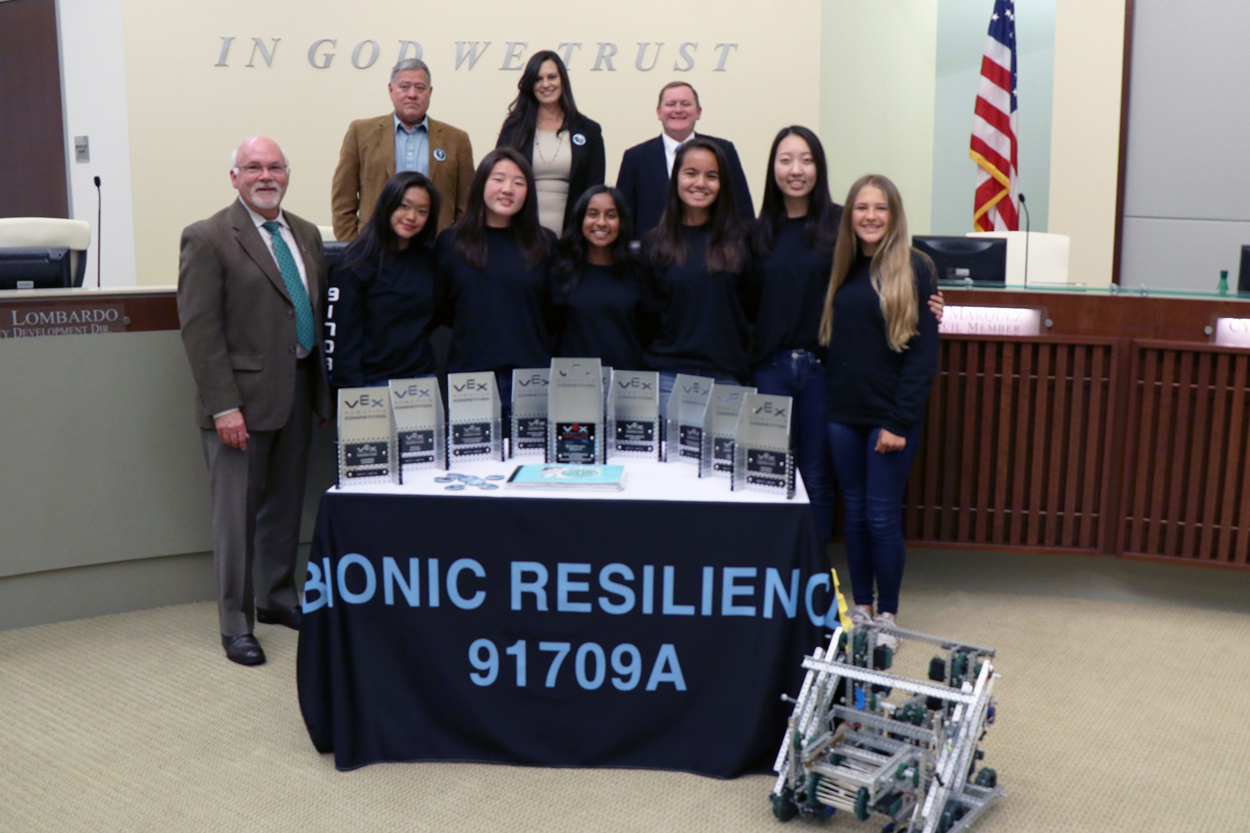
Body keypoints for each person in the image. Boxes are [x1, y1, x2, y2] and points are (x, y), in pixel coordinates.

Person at [749, 127, 946, 545]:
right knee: (767, 472)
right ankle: (775, 566)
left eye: (806, 160)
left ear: (819, 168)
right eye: (786, 160)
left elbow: (886, 270)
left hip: (823, 371)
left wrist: (927, 296)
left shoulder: (843, 225)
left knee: (817, 476)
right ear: (772, 168)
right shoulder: (757, 232)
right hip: (770, 371)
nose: (796, 170)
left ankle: (815, 570)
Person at [177, 136, 332, 666]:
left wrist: (320, 394)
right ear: (234, 176)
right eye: (253, 167)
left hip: (297, 393)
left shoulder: (306, 233)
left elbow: (308, 314)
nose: (266, 176)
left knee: (284, 508)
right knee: (236, 520)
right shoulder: (208, 237)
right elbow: (200, 332)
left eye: (275, 167)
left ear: (287, 174)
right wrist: (224, 407)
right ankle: (235, 624)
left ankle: (277, 598)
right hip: (239, 404)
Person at [818, 174, 939, 650]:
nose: (870, 216)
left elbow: (923, 355)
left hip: (890, 417)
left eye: (881, 208)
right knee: (855, 514)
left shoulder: (915, 267)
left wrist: (898, 420)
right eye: (862, 207)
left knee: (883, 516)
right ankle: (862, 608)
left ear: (894, 215)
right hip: (843, 413)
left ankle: (888, 615)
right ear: (849, 215)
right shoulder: (842, 265)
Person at [435, 147, 557, 420]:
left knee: (531, 449)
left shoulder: (545, 242)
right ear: (481, 183)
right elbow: (442, 309)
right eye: (499, 179)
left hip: (531, 379)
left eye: (519, 182)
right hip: (470, 379)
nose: (507, 189)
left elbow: (552, 312)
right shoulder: (452, 242)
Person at [643, 137, 752, 414]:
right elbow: (645, 318)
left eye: (711, 176)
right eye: (691, 173)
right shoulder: (654, 243)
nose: (700, 183)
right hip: (668, 379)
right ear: (676, 178)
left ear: (722, 183)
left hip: (727, 379)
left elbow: (753, 310)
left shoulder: (743, 239)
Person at [331, 58, 474, 241]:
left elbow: (467, 207)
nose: (412, 94)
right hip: (374, 246)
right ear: (391, 90)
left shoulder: (457, 140)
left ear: (430, 92)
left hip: (435, 248)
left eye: (420, 88)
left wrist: (455, 248)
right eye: (404, 87)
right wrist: (352, 246)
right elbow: (343, 199)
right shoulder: (361, 133)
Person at [331, 171, 442, 388]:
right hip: (371, 383)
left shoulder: (429, 260)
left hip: (421, 379)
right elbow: (343, 339)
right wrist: (351, 390)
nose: (411, 217)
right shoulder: (355, 262)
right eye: (404, 206)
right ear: (387, 204)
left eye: (422, 211)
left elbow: (434, 318)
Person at [617, 81, 754, 237]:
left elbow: (743, 210)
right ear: (659, 112)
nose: (678, 110)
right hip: (654, 249)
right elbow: (624, 217)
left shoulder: (724, 150)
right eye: (671, 104)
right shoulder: (635, 158)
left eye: (685, 104)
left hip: (715, 247)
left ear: (698, 112)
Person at [496, 50, 605, 236]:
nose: (546, 84)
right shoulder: (513, 128)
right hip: (519, 234)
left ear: (563, 80)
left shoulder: (589, 130)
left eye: (552, 77)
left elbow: (594, 188)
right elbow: (500, 177)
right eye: (538, 79)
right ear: (530, 85)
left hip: (573, 236)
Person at [551, 185, 658, 370]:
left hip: (626, 380)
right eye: (593, 214)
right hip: (573, 380)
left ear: (621, 222)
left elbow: (649, 331)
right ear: (580, 220)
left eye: (611, 215)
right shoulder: (561, 272)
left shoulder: (638, 272)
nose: (601, 222)